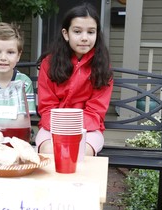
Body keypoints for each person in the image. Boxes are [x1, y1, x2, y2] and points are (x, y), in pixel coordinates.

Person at [35, 3, 113, 156]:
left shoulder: (102, 67)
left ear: (97, 34)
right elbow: (46, 106)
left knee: (81, 152)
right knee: (49, 151)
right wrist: (63, 126)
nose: (84, 38)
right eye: (77, 31)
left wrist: (71, 126)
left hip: (89, 130)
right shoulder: (49, 63)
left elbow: (96, 111)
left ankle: (79, 182)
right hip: (52, 127)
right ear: (66, 34)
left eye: (91, 32)